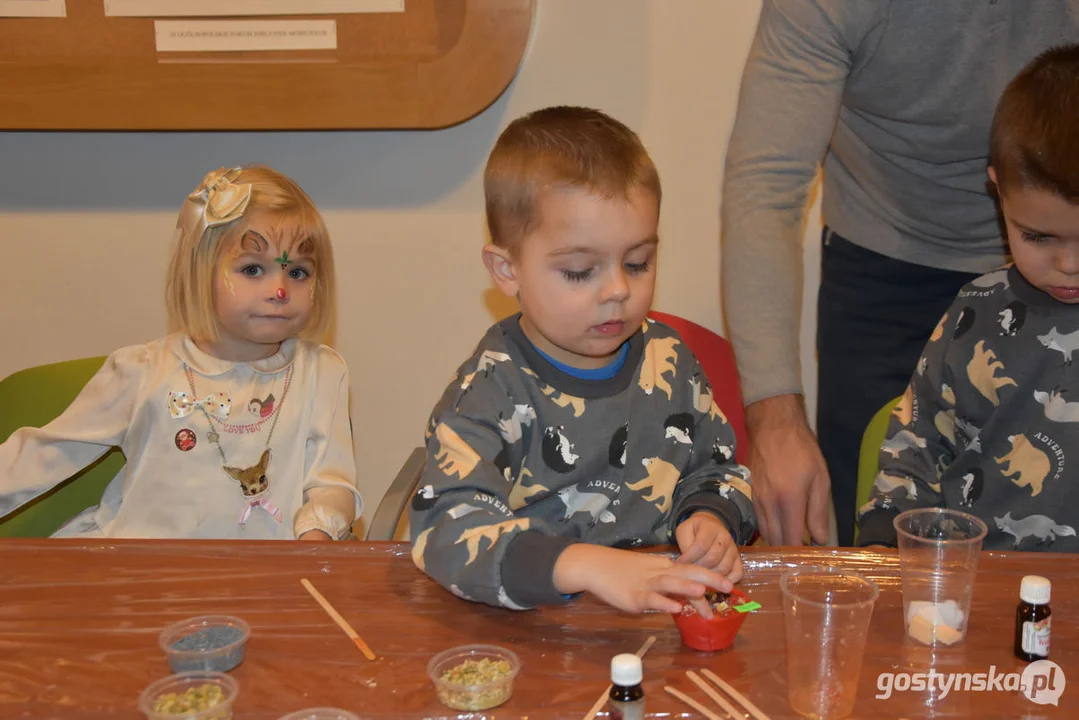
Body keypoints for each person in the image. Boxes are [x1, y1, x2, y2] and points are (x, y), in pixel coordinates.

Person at [720, 0, 1079, 547]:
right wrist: (775, 421)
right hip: (882, 265)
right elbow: (766, 187)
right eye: (1040, 237)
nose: (1066, 263)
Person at [409, 106, 757, 614]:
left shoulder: (670, 360)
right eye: (579, 271)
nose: (618, 289)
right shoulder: (492, 388)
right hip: (535, 632)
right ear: (508, 270)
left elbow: (719, 470)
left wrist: (711, 517)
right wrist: (584, 565)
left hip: (657, 624)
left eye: (637, 263)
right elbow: (445, 529)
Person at [0, 165, 362, 540]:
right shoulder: (142, 371)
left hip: (263, 582)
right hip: (137, 575)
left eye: (299, 273)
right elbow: (45, 456)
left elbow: (331, 484)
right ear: (199, 272)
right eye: (253, 269)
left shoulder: (322, 372)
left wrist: (318, 533)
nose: (280, 290)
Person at [858, 44, 1079, 550]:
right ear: (998, 190)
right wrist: (888, 535)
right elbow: (915, 442)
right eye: (1039, 237)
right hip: (977, 584)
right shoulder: (976, 312)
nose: (1069, 265)